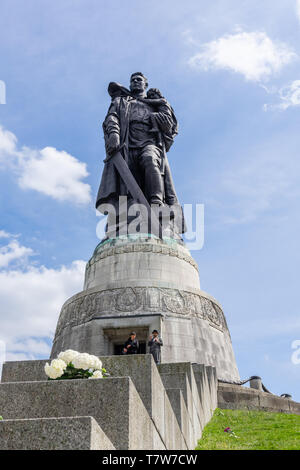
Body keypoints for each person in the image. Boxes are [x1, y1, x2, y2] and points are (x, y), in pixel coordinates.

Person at [96, 72, 180, 212]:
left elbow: (170, 127)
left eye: (139, 80)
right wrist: (114, 134)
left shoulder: (156, 102)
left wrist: (165, 125)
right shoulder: (121, 101)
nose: (135, 82)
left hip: (150, 141)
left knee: (150, 159)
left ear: (145, 84)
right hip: (127, 143)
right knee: (129, 177)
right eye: (132, 80)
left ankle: (157, 202)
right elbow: (112, 117)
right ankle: (131, 208)